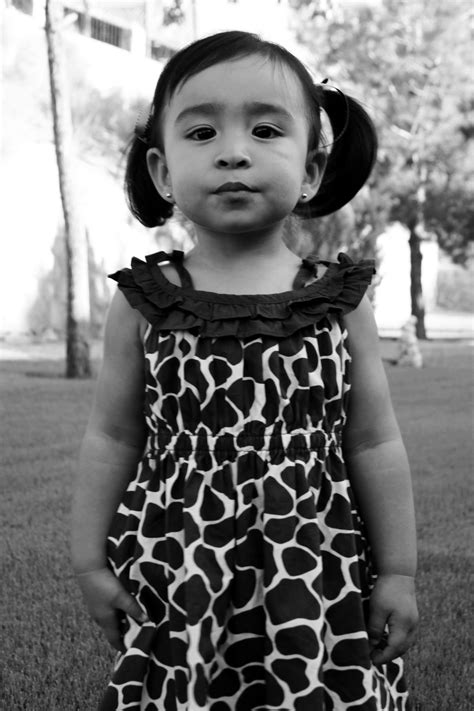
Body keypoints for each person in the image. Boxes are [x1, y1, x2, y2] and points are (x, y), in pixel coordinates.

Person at [72, 30, 418, 711]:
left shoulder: (338, 298)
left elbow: (374, 440)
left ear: (312, 170)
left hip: (316, 565)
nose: (233, 151)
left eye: (265, 129)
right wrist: (88, 559)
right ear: (163, 171)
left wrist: (400, 570)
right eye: (200, 133)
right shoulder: (145, 299)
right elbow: (112, 435)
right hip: (182, 564)